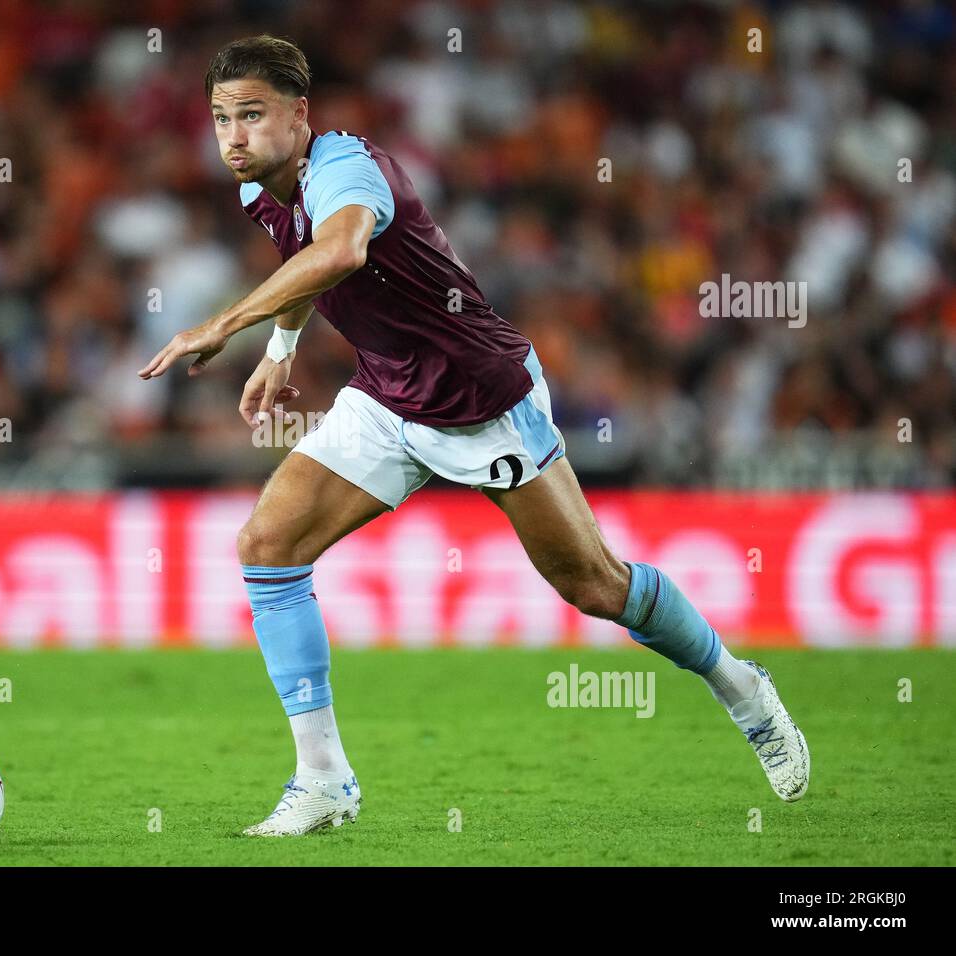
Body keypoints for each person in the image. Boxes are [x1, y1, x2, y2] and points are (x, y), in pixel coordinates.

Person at [138, 35, 810, 836]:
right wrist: (282, 349)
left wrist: (227, 326)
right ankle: (323, 780)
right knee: (269, 546)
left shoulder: (347, 169)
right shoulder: (262, 191)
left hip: (480, 399)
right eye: (221, 119)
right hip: (387, 393)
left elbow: (340, 248)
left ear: (300, 115)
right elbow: (306, 261)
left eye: (252, 115)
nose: (234, 137)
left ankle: (740, 685)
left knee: (595, 586)